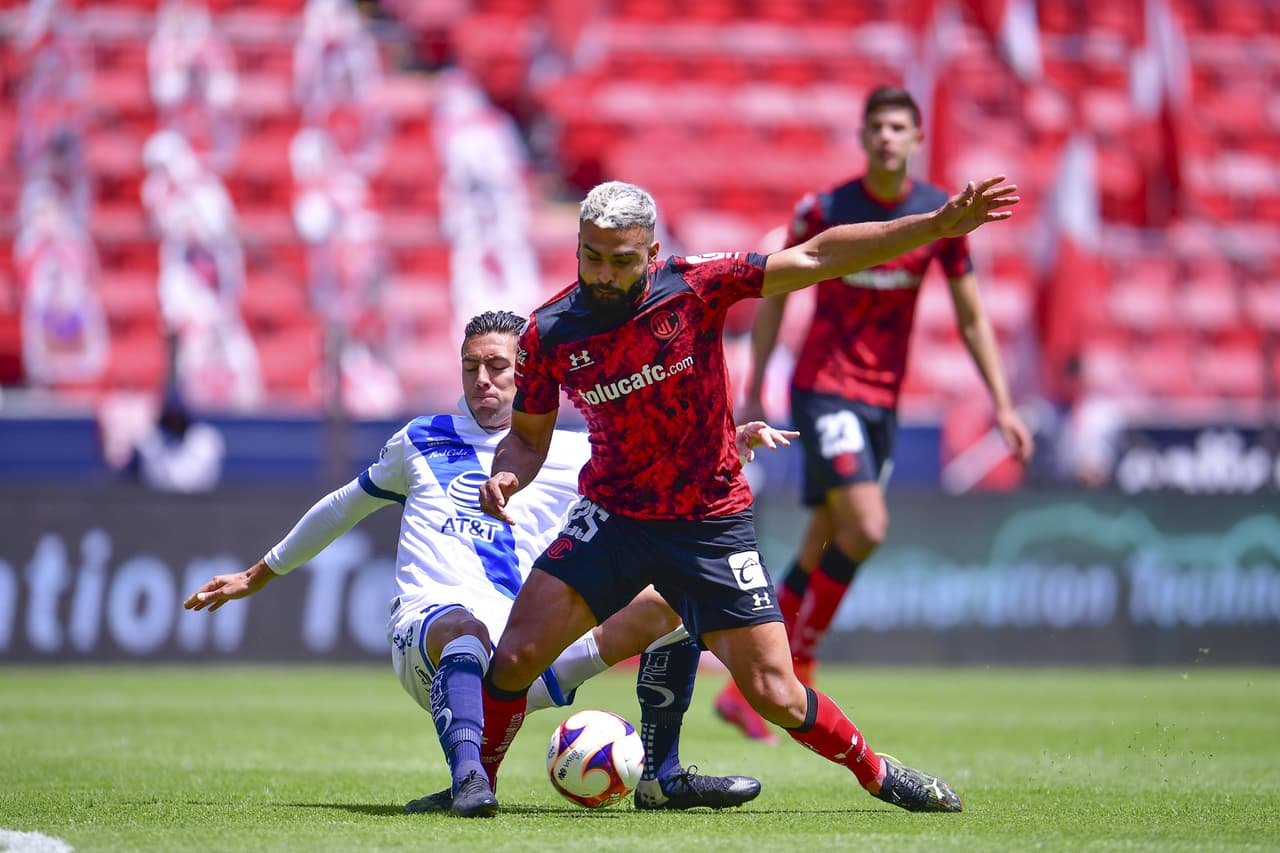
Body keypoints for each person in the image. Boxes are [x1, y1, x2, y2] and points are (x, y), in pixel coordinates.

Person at [475, 175, 1019, 815]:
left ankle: (879, 773)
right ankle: (472, 783)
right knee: (512, 657)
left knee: (776, 694)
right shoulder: (549, 333)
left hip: (710, 522)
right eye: (591, 256)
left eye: (621, 259)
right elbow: (529, 439)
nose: (603, 272)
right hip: (615, 518)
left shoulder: (697, 285)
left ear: (652, 254)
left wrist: (932, 226)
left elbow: (816, 256)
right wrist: (509, 473)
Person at [184, 310, 788, 817]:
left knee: (672, 603)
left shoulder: (566, 452)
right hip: (430, 639)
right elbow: (343, 507)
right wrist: (258, 574)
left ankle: (661, 779)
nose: (482, 379)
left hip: (523, 654)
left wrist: (732, 441)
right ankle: (473, 781)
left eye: (497, 366)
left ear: (524, 373)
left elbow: (659, 465)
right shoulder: (422, 439)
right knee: (464, 627)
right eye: (471, 366)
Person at [713, 86, 1037, 742]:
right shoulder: (826, 209)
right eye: (877, 126)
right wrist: (752, 387)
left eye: (899, 127)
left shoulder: (940, 215)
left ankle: (740, 687)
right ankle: (795, 665)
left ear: (916, 139)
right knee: (866, 525)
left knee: (824, 540)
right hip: (826, 387)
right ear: (863, 138)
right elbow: (774, 293)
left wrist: (1003, 403)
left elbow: (971, 314)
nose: (887, 136)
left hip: (882, 401)